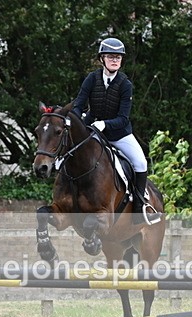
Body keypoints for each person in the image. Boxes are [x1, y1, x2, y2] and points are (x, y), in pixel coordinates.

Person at [71, 37, 160, 225]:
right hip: (93, 131)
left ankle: (140, 206)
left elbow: (123, 118)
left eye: (118, 58)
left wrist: (104, 124)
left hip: (119, 135)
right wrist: (76, 121)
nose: (115, 60)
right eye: (111, 57)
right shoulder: (91, 79)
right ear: (102, 58)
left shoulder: (125, 84)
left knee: (141, 163)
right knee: (71, 150)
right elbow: (79, 104)